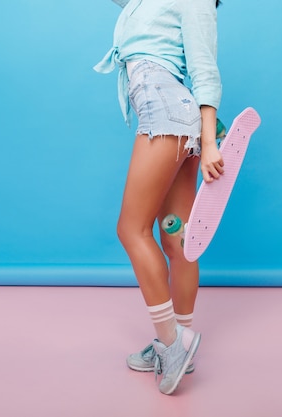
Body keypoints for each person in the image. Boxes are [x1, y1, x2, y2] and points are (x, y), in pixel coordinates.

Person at [94, 0, 223, 395]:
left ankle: (170, 344)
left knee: (132, 229)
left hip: (168, 118)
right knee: (176, 239)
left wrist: (209, 140)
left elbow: (204, 70)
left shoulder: (196, 2)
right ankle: (180, 342)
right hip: (174, 118)